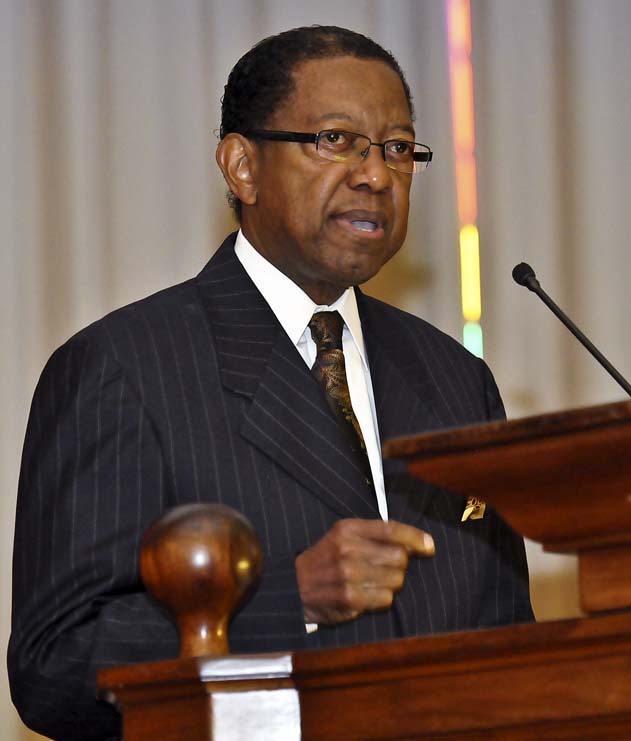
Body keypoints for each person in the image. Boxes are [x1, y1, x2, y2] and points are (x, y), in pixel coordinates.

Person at [8, 25, 533, 741]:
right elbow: (54, 667)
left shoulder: (455, 379)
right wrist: (293, 598)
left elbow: (507, 640)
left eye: (398, 148)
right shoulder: (125, 367)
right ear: (242, 166)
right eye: (336, 140)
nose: (377, 175)